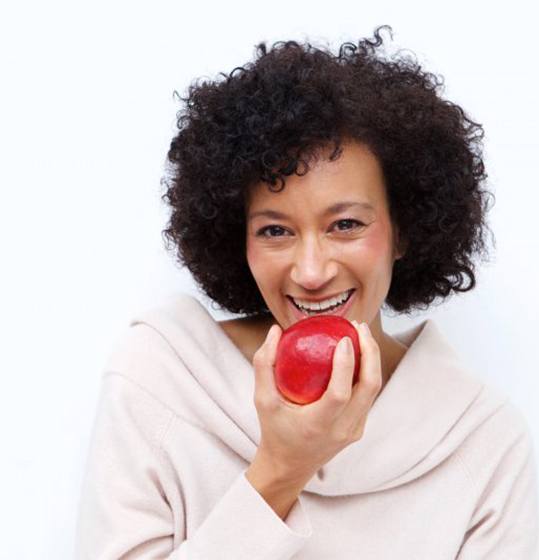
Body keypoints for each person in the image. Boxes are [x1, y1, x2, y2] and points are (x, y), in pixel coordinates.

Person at [74, 25, 539, 559]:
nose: (312, 271)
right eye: (275, 231)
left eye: (345, 225)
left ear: (404, 229)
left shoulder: (482, 440)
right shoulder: (161, 377)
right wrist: (281, 470)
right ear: (237, 238)